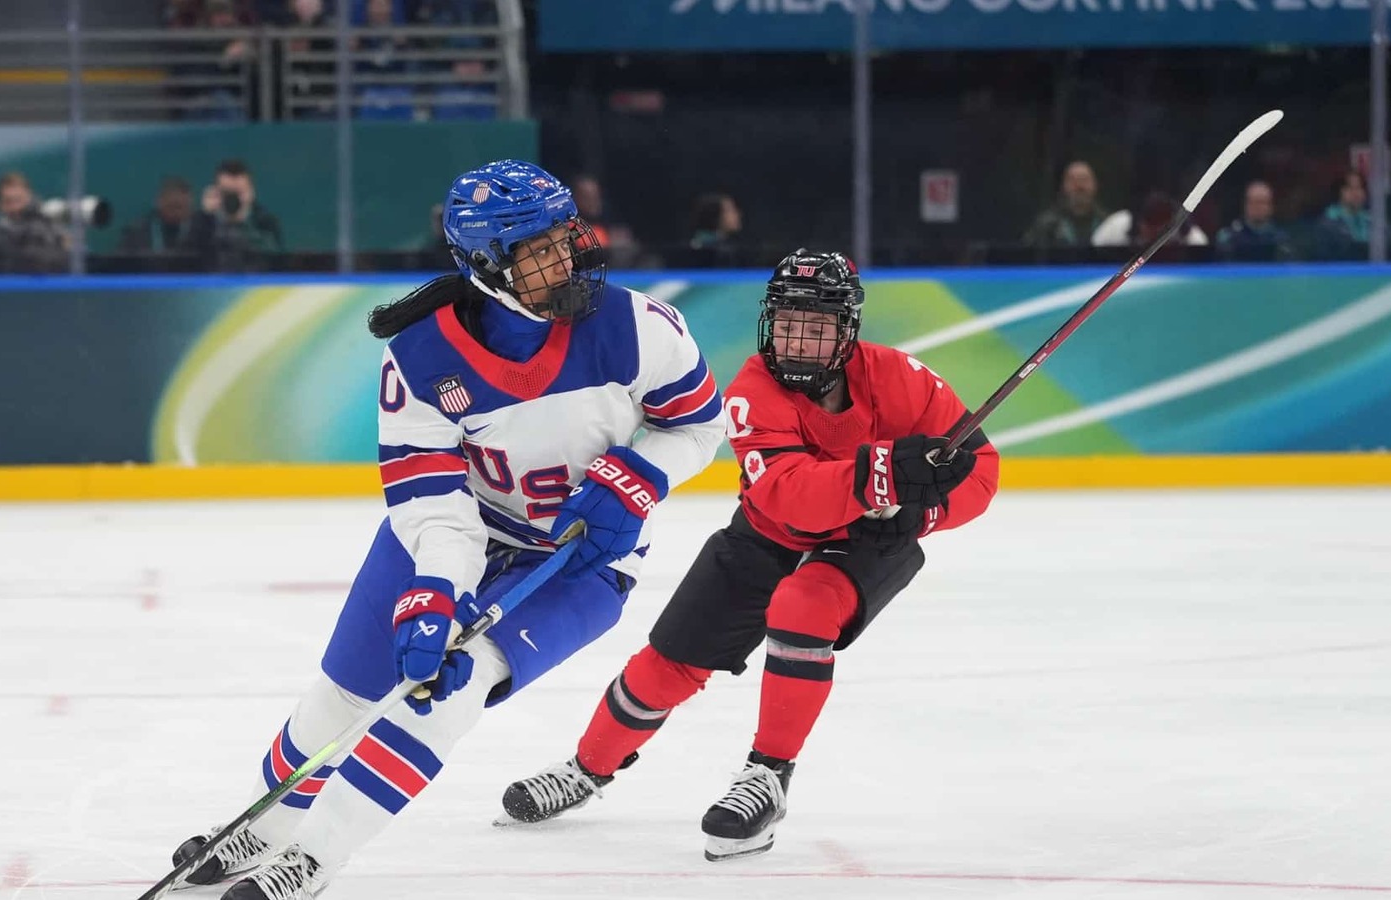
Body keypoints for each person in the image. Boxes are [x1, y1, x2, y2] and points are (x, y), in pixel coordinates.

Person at [164, 159, 727, 899]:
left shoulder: (635, 327)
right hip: (457, 533)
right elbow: (433, 500)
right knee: (345, 692)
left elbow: (697, 424)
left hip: (581, 561)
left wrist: (641, 475)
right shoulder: (421, 358)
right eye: (539, 250)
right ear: (488, 266)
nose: (566, 259)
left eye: (564, 237)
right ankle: (263, 829)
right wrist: (437, 588)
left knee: (448, 693)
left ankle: (313, 860)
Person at [499, 249, 1001, 861]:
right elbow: (791, 497)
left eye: (817, 328)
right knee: (665, 665)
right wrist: (882, 477)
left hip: (869, 541)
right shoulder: (751, 393)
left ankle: (767, 776)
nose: (797, 341)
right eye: (789, 322)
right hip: (769, 533)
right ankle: (587, 768)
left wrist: (924, 512)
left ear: (847, 332)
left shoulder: (903, 380)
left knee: (802, 608)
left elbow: (981, 471)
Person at [0, 171, 70, 274]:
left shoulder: (51, 225)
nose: (15, 208)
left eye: (19, 200)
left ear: (29, 197)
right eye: (8, 202)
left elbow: (75, 254)